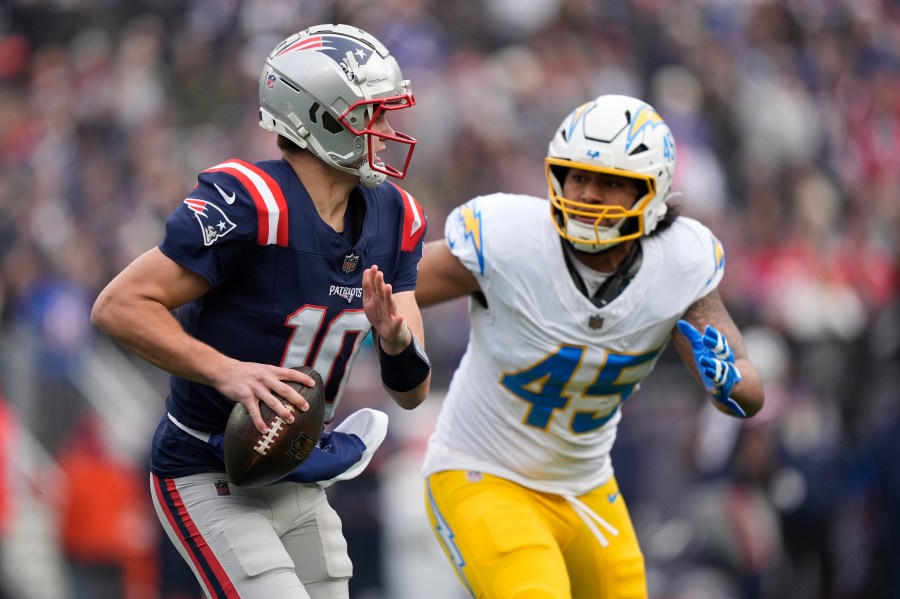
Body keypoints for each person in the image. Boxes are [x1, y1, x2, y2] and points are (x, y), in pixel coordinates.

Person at [91, 23, 432, 599]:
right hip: (207, 467)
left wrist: (397, 345)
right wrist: (226, 369)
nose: (391, 131)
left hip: (299, 468)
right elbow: (118, 305)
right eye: (374, 115)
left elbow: (412, 393)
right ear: (323, 117)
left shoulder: (395, 216)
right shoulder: (251, 202)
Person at [414, 94, 764, 599]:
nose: (589, 194)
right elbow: (386, 287)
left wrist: (728, 379)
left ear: (653, 192)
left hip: (585, 488)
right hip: (482, 470)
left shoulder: (682, 262)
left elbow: (747, 388)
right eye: (577, 176)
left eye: (611, 182)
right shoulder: (512, 239)